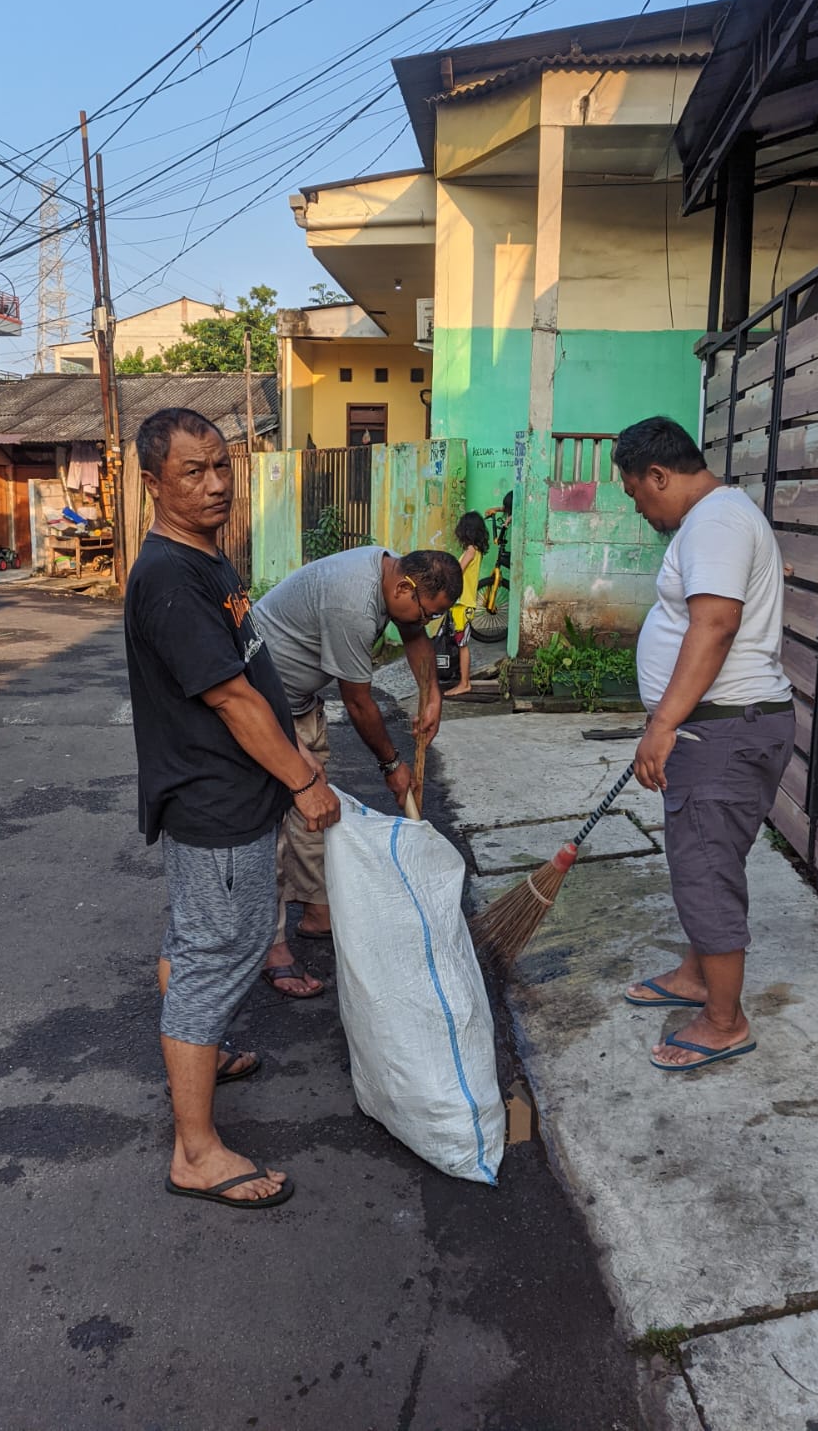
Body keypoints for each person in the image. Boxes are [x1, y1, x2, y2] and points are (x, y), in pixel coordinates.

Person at [124, 408, 341, 1209]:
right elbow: (230, 700)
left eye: (222, 466)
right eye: (193, 472)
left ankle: (200, 1052)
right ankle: (197, 1150)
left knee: (198, 941)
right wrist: (303, 779)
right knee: (223, 953)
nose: (215, 484)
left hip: (227, 799)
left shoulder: (205, 557)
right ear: (153, 482)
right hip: (217, 807)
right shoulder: (168, 580)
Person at [614, 416, 794, 1072]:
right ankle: (695, 974)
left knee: (704, 871)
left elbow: (714, 624)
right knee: (706, 860)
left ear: (659, 474)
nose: (639, 507)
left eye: (637, 493)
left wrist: (661, 724)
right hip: (724, 726)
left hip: (717, 730)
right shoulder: (720, 516)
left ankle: (723, 1021)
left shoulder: (715, 522)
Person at [252, 546, 463, 994]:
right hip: (263, 712)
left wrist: (432, 693)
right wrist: (391, 764)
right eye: (427, 612)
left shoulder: (394, 575)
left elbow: (413, 634)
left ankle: (316, 912)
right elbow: (358, 702)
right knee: (267, 825)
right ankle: (272, 948)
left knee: (315, 812)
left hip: (299, 704)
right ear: (404, 587)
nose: (425, 622)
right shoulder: (353, 603)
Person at [443, 510, 490, 697]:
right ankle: (462, 681)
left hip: (463, 604)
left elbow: (457, 572)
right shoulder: (474, 551)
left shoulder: (470, 551)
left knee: (462, 645)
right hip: (461, 603)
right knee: (460, 643)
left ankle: (464, 683)